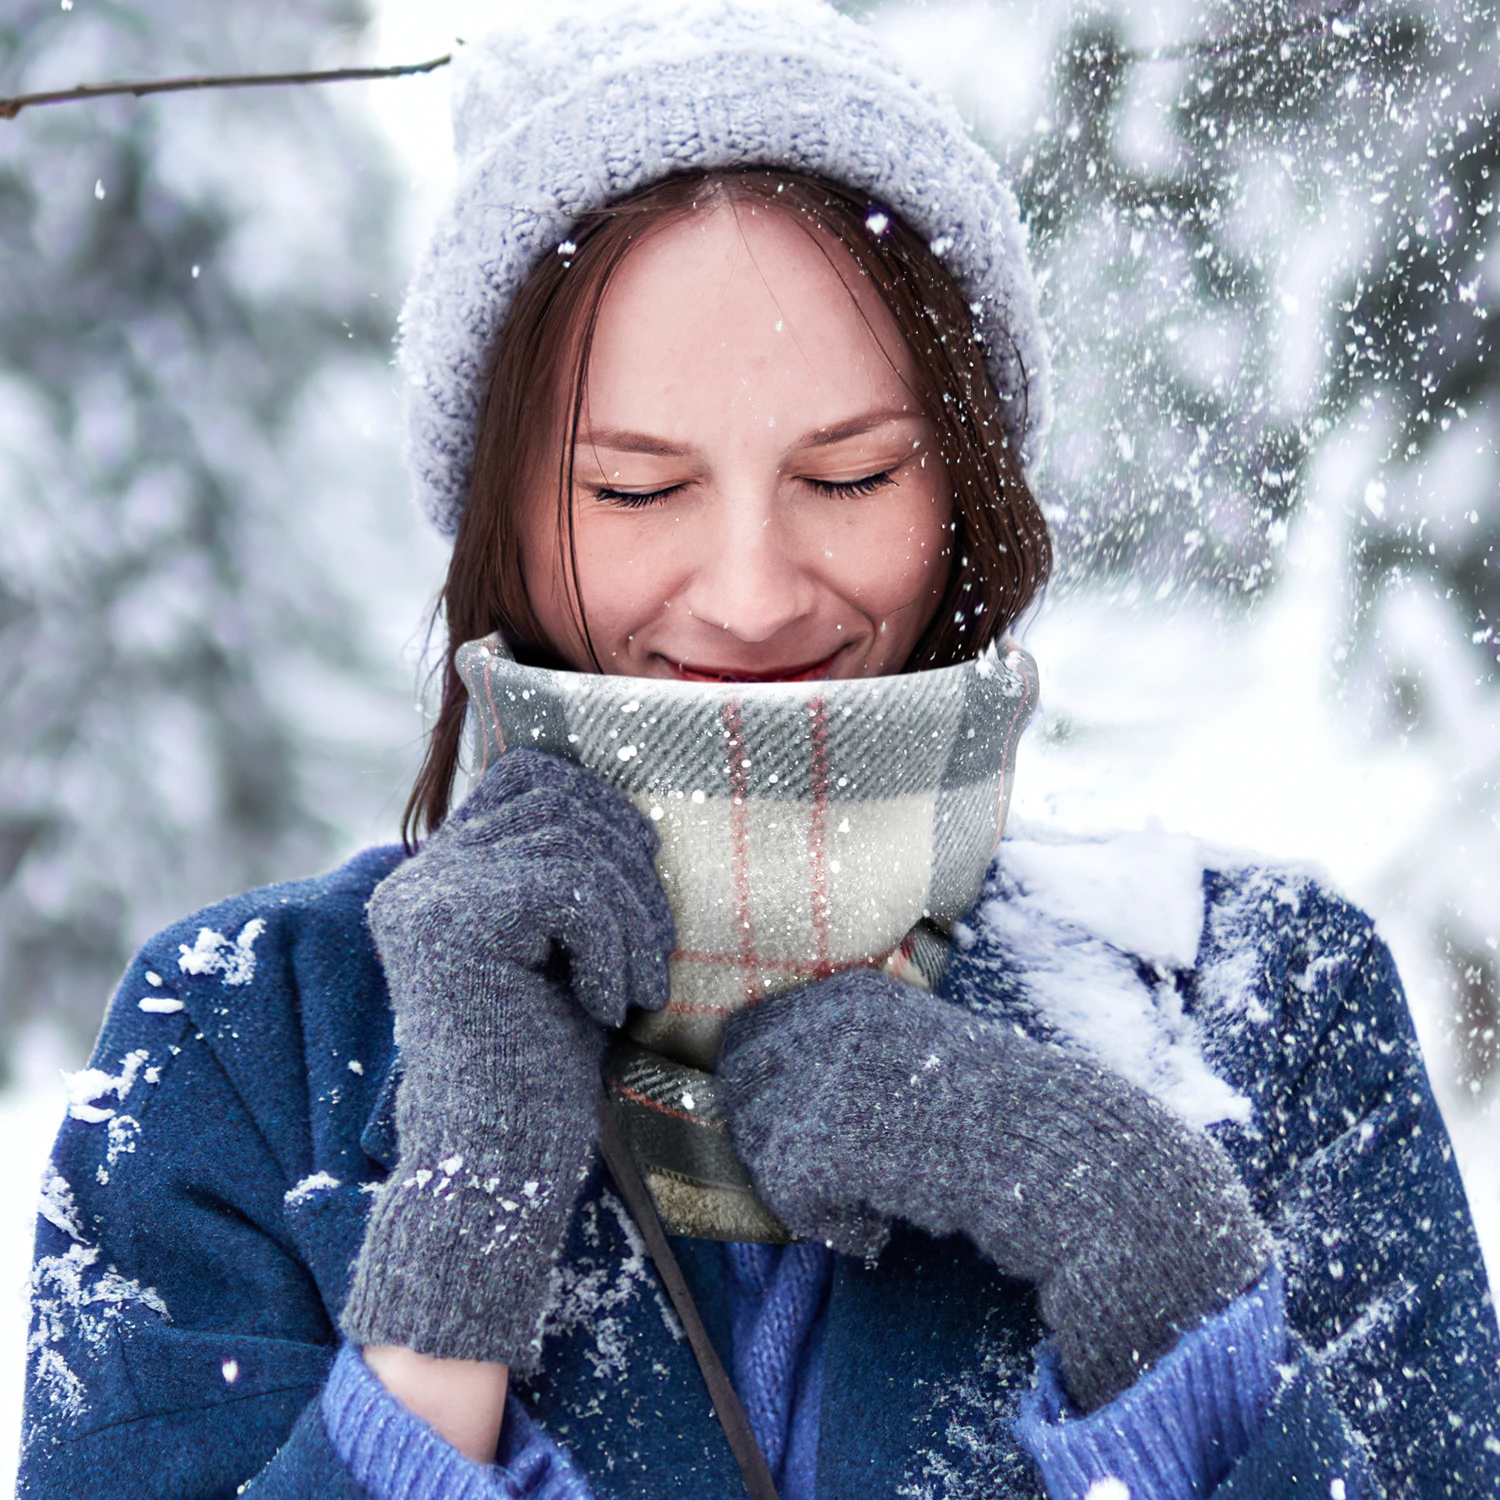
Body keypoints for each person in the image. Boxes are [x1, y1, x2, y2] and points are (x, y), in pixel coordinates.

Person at [18, 3, 1500, 1497]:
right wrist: (439, 1316)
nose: (750, 593)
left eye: (849, 474)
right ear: (502, 519)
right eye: (638, 490)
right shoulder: (248, 1045)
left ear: (964, 490)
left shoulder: (1271, 1008)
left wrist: (1168, 1307)